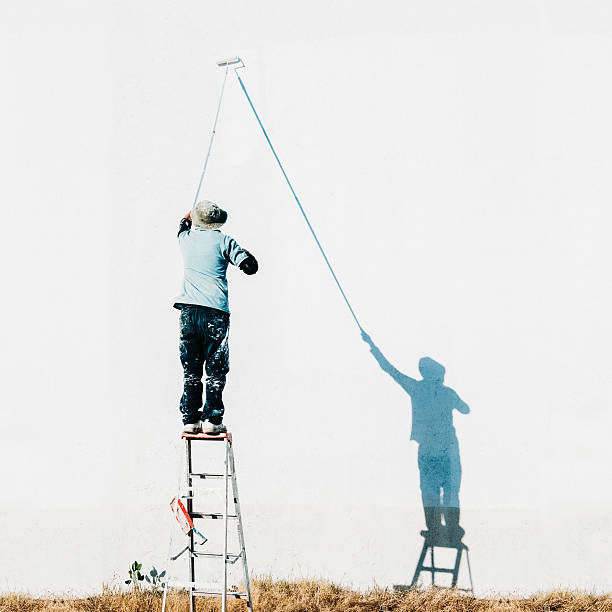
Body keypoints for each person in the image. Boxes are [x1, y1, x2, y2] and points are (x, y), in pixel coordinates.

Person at [361, 331, 469, 543]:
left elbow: (390, 370)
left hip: (428, 451)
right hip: (447, 451)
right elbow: (466, 409)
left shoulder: (417, 388)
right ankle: (452, 528)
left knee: (429, 491)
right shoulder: (448, 393)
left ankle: (435, 528)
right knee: (449, 490)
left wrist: (372, 345)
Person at [174, 200, 258, 435]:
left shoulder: (185, 239)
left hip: (189, 311)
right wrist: (245, 254)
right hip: (215, 312)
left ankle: (190, 418)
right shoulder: (224, 241)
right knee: (215, 367)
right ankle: (212, 418)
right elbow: (251, 267)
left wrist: (187, 216)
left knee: (191, 368)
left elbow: (181, 226)